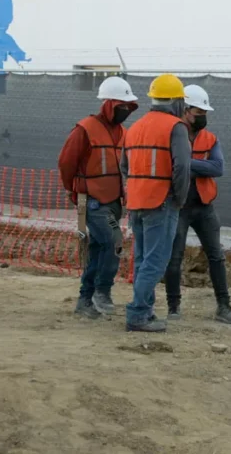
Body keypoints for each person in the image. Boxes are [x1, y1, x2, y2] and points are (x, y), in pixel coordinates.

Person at [57, 76, 138, 319]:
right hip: (89, 201)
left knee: (98, 248)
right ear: (109, 104)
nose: (126, 111)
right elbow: (66, 162)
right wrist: (73, 191)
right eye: (122, 106)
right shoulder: (84, 129)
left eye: (128, 107)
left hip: (112, 201)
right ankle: (102, 291)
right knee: (114, 241)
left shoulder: (122, 132)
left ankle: (85, 300)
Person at [120, 74, 191, 333]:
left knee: (142, 260)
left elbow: (124, 166)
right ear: (177, 100)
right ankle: (138, 313)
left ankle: (145, 311)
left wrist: (138, 187)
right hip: (162, 201)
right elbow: (182, 167)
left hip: (137, 200)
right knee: (156, 261)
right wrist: (179, 198)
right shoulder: (176, 127)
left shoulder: (135, 127)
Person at [164, 84, 231, 324]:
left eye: (205, 112)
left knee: (216, 255)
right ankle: (173, 307)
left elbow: (217, 168)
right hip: (178, 205)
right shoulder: (170, 133)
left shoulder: (210, 139)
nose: (203, 117)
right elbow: (168, 166)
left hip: (204, 206)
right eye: (199, 112)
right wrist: (193, 165)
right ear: (185, 110)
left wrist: (186, 164)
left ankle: (224, 306)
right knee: (174, 258)